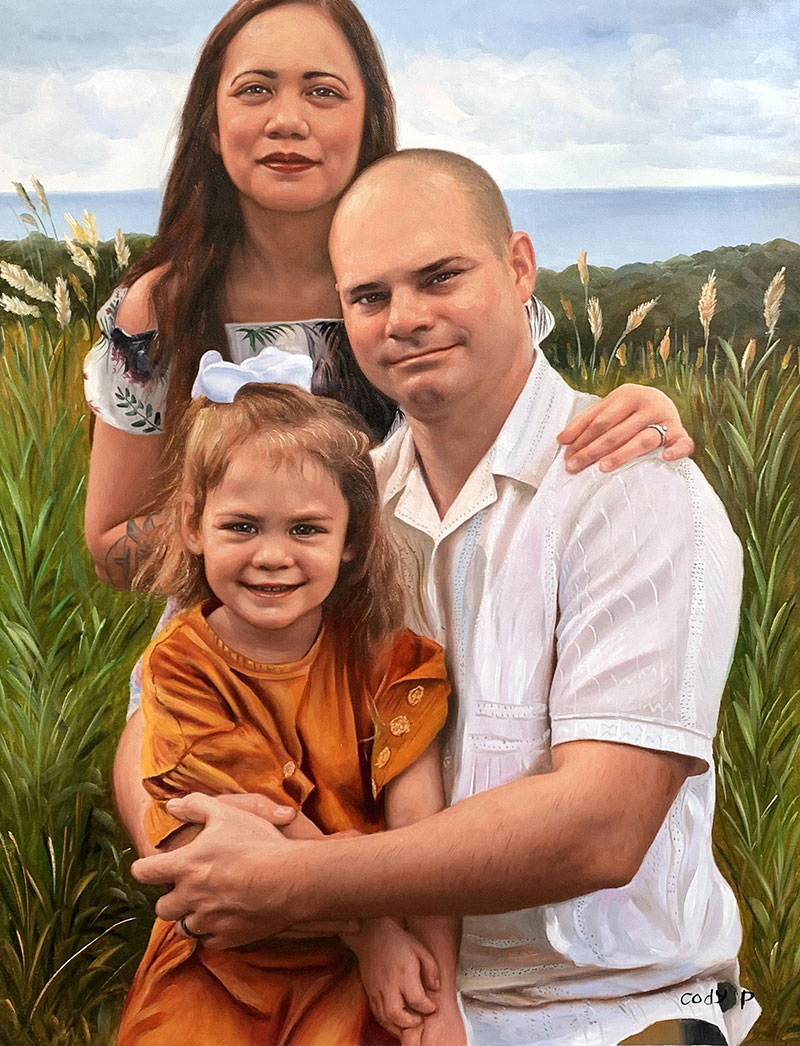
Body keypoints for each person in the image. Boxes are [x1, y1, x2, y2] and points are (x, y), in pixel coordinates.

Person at [132, 150, 760, 1046]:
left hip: (609, 1005)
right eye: (370, 296)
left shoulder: (628, 485)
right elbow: (152, 712)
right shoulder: (328, 506)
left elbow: (601, 828)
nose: (407, 320)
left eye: (440, 277)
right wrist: (202, 841)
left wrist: (294, 881)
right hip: (364, 983)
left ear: (517, 267)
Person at [84, 0, 696, 858]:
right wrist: (256, 539)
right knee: (218, 893)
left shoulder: (422, 282)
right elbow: (109, 540)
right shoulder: (165, 309)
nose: (287, 119)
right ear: (209, 119)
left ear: (370, 117)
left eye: (323, 91)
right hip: (227, 654)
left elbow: (527, 416)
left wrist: (648, 410)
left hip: (401, 638)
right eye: (254, 89)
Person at [116, 351, 465, 1046]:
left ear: (353, 539)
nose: (272, 555)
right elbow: (251, 836)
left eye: (305, 529)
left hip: (358, 964)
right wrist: (372, 934)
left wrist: (439, 992)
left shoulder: (387, 659)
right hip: (227, 954)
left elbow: (422, 834)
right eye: (242, 527)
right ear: (193, 525)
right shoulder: (182, 666)